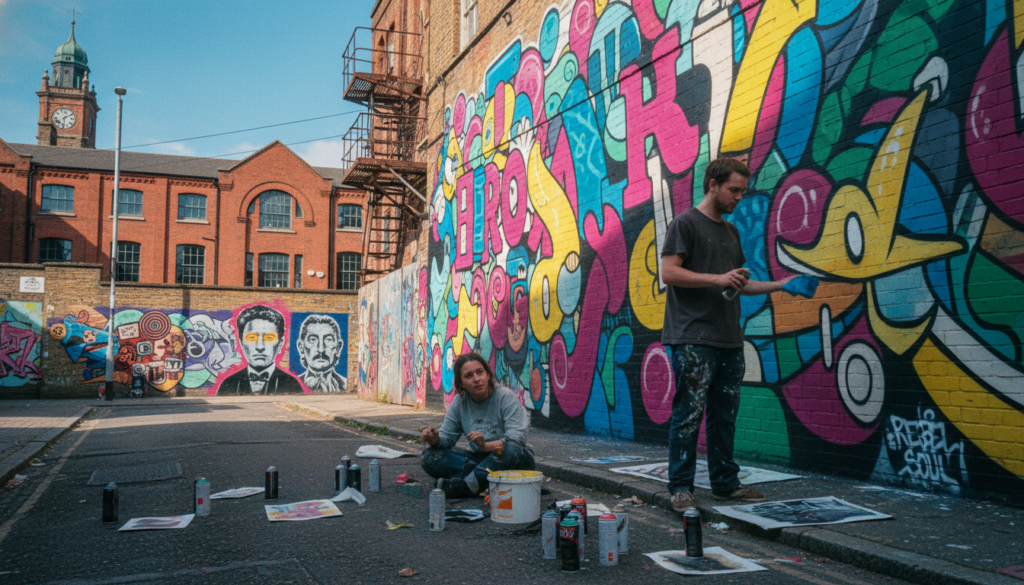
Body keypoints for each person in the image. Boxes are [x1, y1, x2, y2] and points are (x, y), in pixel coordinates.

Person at [660, 158, 817, 511]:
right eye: (733, 189)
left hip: (730, 340)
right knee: (688, 415)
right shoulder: (685, 223)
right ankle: (680, 489)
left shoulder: (730, 232)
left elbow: (738, 282)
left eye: (743, 191)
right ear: (712, 185)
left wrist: (781, 285)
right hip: (693, 339)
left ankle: (725, 485)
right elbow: (669, 272)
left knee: (725, 417)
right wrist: (717, 279)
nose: (739, 197)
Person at [420, 352, 535, 498]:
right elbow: (447, 438)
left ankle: (466, 487)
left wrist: (487, 446)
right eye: (468, 376)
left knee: (511, 449)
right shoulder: (459, 402)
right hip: (481, 461)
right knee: (428, 457)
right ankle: (481, 480)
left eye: (480, 372)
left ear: (488, 375)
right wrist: (434, 439)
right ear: (461, 383)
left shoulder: (506, 397)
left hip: (512, 460)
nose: (476, 379)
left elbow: (516, 439)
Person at [217, 305, 304, 395]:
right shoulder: (228, 383)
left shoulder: (292, 384)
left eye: (269, 338)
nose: (260, 347)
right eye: (251, 337)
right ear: (241, 343)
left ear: (280, 343)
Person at [296, 314, 347, 392]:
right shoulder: (294, 384)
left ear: (338, 348)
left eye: (328, 340)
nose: (321, 349)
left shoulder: (345, 384)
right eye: (312, 340)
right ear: (301, 347)